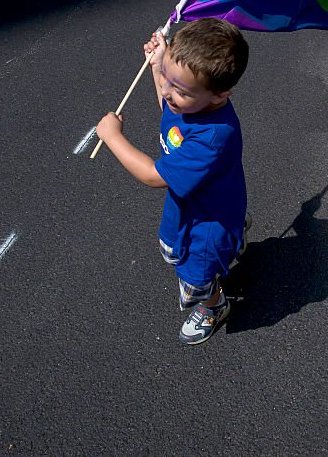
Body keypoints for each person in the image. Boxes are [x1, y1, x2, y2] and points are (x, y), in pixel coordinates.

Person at [96, 18, 249, 345]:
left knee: (195, 275)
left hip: (206, 223)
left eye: (178, 89)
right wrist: (157, 66)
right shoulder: (192, 100)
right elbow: (171, 115)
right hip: (201, 201)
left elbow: (154, 176)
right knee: (185, 244)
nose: (167, 92)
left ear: (220, 94)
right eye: (166, 77)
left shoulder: (212, 137)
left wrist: (112, 138)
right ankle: (236, 230)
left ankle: (214, 305)